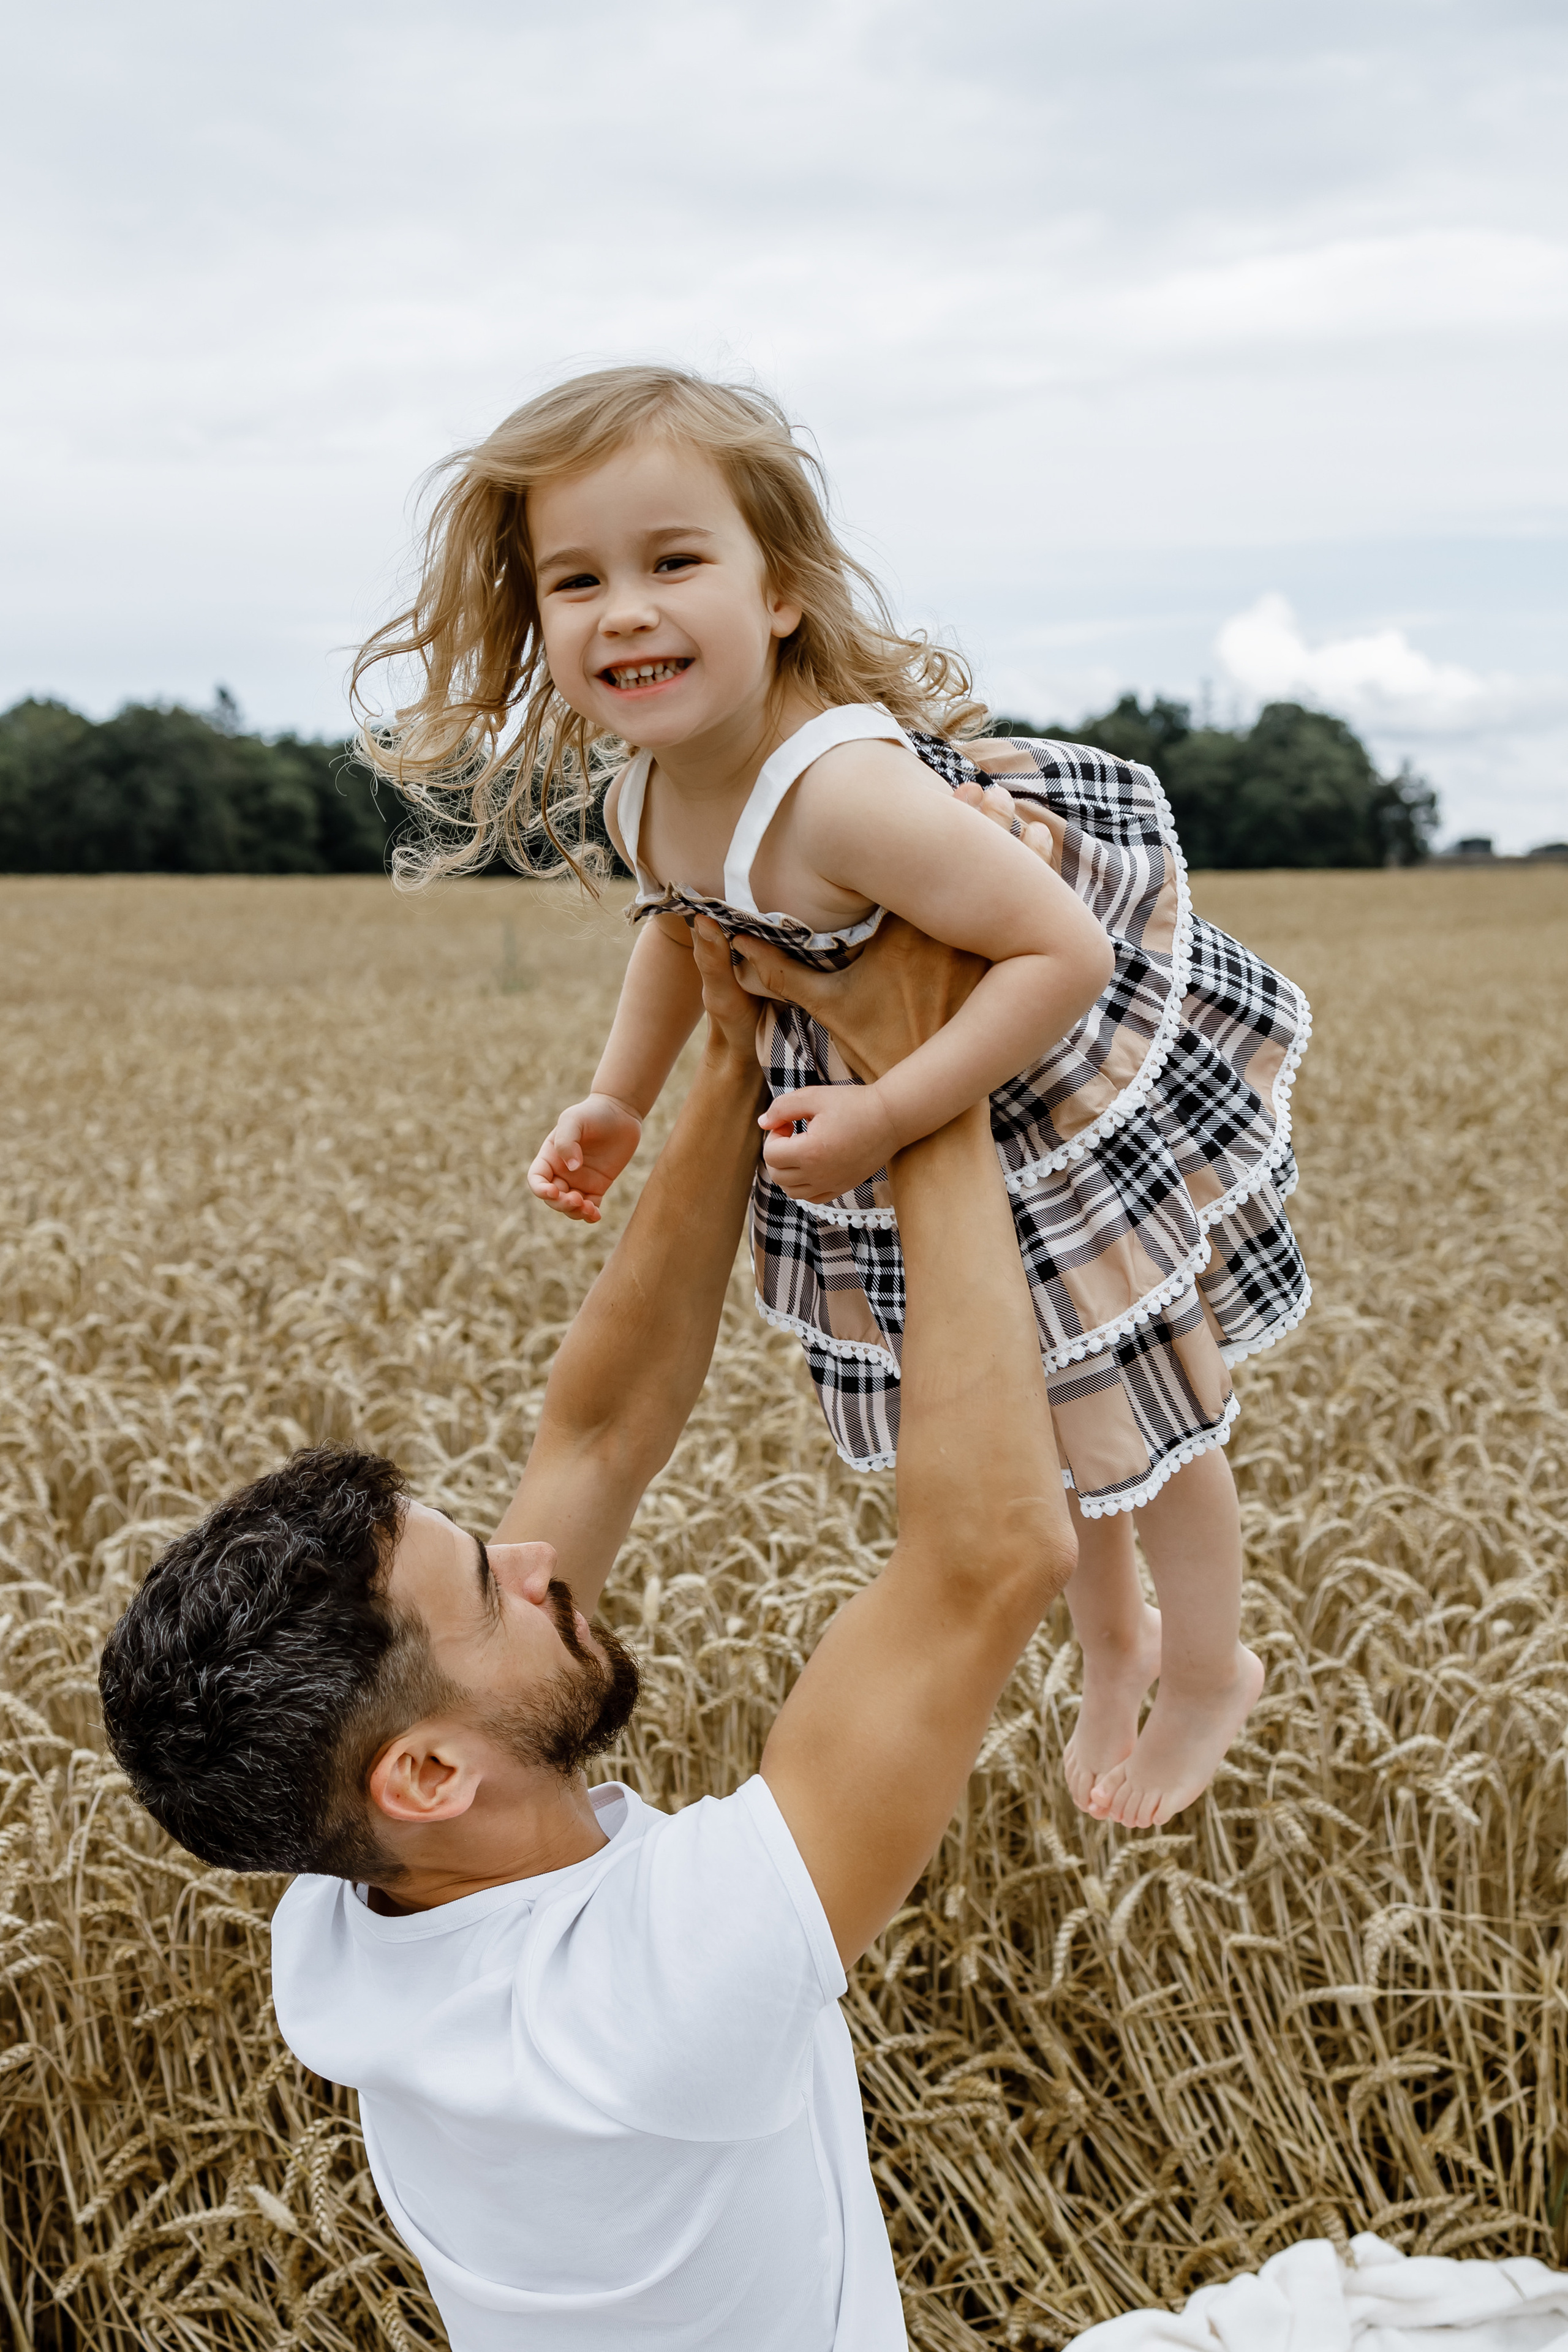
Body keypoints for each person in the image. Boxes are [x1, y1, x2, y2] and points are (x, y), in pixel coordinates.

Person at [99, 911, 1076, 2352]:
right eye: (489, 1589)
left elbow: (600, 1429)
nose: (538, 1559)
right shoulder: (653, 1993)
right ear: (426, 1774)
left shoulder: (350, 1915)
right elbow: (990, 1559)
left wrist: (733, 1057)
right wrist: (927, 1071)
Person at [351, 364, 1313, 1827]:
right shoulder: (641, 790)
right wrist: (616, 1103)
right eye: (577, 580)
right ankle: (1115, 1641)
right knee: (1035, 1406)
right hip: (907, 1094)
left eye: (674, 562)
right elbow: (681, 932)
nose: (625, 610)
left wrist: (890, 1115)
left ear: (781, 591)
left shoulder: (842, 793)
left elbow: (1060, 953)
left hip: (1026, 1084)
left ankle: (1206, 1669)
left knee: (1142, 1396)